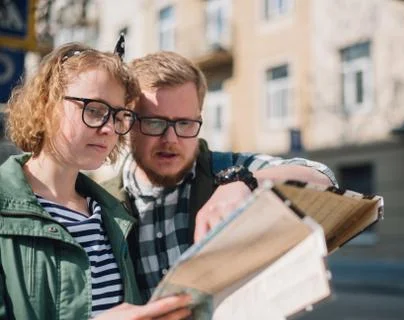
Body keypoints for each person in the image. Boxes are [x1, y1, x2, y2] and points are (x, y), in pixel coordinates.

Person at [102, 51, 338, 301]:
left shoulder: (226, 169)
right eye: (154, 123)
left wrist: (243, 181)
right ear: (126, 122)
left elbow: (323, 178)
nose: (170, 139)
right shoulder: (100, 201)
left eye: (184, 124)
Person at [0, 43, 191, 320]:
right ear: (46, 105)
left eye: (118, 116)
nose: (109, 128)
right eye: (94, 110)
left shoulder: (112, 214)